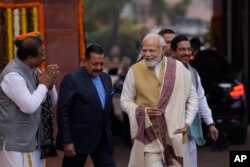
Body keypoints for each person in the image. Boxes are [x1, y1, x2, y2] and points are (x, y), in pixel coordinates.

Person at [120, 33, 199, 167]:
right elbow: (125, 101)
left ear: (162, 49)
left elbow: (193, 97)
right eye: (144, 50)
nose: (148, 54)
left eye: (152, 50)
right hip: (149, 136)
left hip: (175, 135)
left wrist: (187, 122)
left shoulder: (178, 68)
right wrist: (143, 111)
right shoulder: (134, 70)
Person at [0, 31, 59, 167]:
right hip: (16, 145)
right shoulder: (12, 75)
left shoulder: (34, 70)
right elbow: (29, 106)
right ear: (30, 58)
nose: (44, 58)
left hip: (36, 141)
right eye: (42, 55)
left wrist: (50, 85)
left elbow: (51, 102)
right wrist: (43, 85)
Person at [56, 44, 116, 167]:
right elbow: (63, 112)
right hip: (78, 141)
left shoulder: (106, 78)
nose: (99, 68)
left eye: (101, 64)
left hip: (102, 139)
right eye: (95, 64)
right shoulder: (72, 80)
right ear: (84, 61)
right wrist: (67, 141)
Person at [171, 35, 219, 167]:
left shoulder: (194, 73)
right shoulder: (165, 73)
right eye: (182, 50)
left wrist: (210, 123)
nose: (186, 53)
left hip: (189, 131)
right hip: (169, 131)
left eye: (188, 49)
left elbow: (200, 99)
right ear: (173, 52)